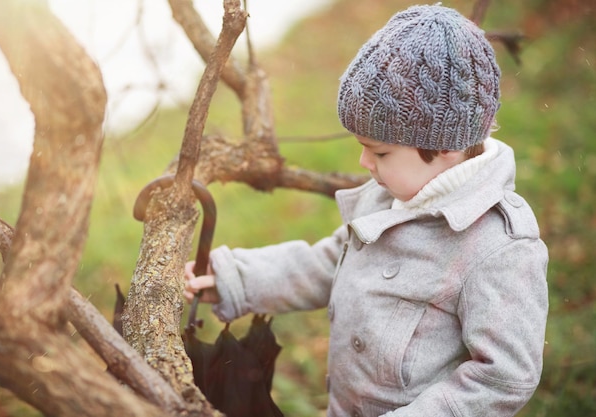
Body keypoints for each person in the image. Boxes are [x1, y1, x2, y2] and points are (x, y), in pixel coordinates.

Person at [184, 4, 549, 416]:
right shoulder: (391, 195)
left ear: (446, 146)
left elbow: (503, 377)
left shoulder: (498, 249)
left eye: (379, 151)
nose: (363, 164)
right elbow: (329, 263)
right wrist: (237, 279)